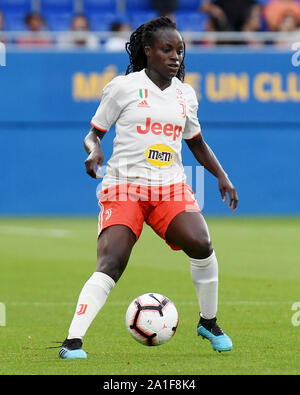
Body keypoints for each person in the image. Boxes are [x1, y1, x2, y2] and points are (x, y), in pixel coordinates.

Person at [58, 16, 238, 359]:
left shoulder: (186, 95)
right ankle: (73, 341)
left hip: (169, 187)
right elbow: (94, 131)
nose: (175, 57)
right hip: (125, 186)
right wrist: (94, 149)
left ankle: (209, 322)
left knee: (202, 243)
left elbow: (196, 142)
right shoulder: (122, 87)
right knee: (112, 260)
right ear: (148, 51)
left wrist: (221, 175)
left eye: (180, 51)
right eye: (167, 50)